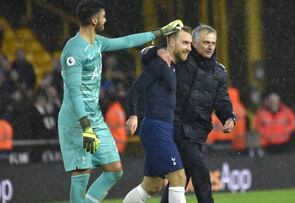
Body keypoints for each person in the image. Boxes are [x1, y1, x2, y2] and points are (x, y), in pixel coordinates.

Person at [57, 0, 184, 202]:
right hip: (76, 120)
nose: (106, 19)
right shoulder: (74, 50)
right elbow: (74, 93)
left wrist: (160, 32)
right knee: (82, 173)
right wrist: (85, 127)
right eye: (103, 16)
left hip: (95, 117)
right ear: (94, 19)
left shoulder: (97, 42)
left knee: (114, 170)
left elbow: (126, 42)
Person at [142, 24, 236, 203]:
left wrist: (229, 117)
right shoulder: (181, 59)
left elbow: (222, 100)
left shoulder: (219, 72)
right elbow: (145, 55)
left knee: (180, 178)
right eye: (206, 42)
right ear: (193, 43)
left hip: (197, 132)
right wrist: (156, 51)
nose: (210, 46)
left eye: (213, 43)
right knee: (200, 173)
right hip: (176, 127)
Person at [123, 26, 192, 203]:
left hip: (164, 127)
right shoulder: (159, 64)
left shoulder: (174, 66)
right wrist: (133, 115)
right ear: (171, 42)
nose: (189, 47)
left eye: (190, 43)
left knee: (152, 185)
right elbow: (134, 90)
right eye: (185, 42)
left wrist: (153, 50)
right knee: (178, 177)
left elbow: (145, 53)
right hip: (156, 127)